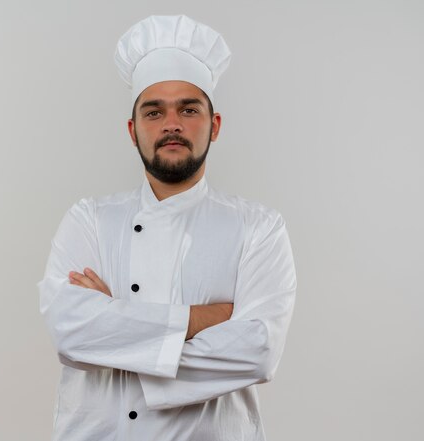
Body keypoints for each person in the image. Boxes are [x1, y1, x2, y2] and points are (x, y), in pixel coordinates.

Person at [37, 14, 297, 441]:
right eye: (153, 111)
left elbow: (258, 352)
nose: (171, 124)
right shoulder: (89, 219)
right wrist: (205, 319)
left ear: (214, 126)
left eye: (188, 109)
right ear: (132, 131)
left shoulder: (259, 227)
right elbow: (70, 335)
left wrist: (114, 327)